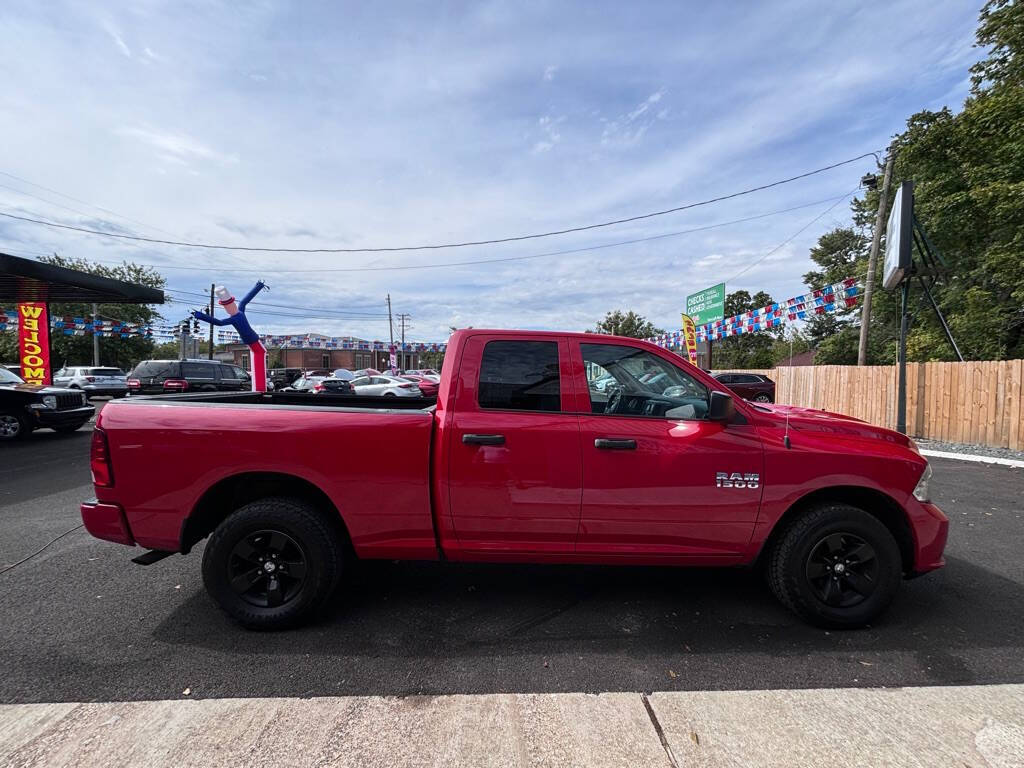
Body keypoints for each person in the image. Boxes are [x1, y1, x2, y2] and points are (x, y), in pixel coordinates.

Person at [192, 281, 268, 392]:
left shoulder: (235, 317)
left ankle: (259, 389)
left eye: (229, 306)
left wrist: (201, 316)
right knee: (259, 352)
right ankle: (259, 388)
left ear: (232, 305)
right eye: (226, 307)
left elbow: (219, 322)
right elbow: (245, 300)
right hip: (252, 340)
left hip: (252, 340)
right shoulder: (238, 312)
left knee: (260, 352)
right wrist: (258, 286)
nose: (228, 309)